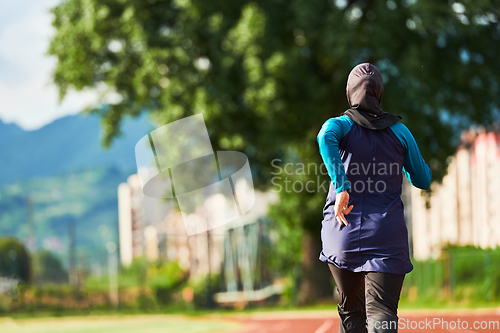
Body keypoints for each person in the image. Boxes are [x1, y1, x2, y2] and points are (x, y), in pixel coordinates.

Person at [317, 63, 431, 333]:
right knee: (382, 312)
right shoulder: (400, 132)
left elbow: (324, 136)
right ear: (379, 93)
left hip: (342, 232)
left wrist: (342, 186)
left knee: (352, 312)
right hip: (386, 236)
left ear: (350, 92)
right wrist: (403, 161)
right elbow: (422, 179)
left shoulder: (340, 126)